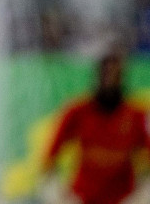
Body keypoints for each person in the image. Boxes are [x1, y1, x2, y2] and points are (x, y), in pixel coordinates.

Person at [43, 51, 148, 204]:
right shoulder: (77, 112)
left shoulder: (137, 115)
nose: (110, 81)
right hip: (82, 197)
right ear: (98, 77)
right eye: (106, 74)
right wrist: (61, 195)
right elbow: (49, 158)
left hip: (123, 198)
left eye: (116, 75)